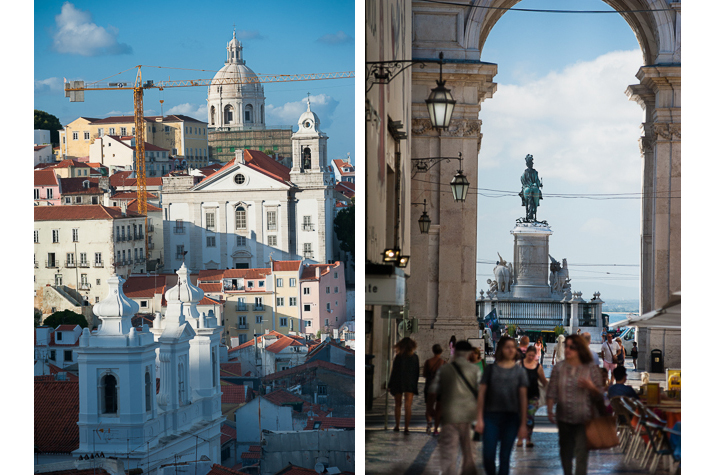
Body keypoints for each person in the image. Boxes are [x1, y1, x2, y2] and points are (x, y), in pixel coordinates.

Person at [546, 334, 604, 475]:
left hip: (584, 418)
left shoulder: (590, 368)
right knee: (565, 452)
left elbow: (601, 393)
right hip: (564, 417)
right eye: (566, 346)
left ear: (579, 349)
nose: (567, 349)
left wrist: (591, 386)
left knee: (581, 453)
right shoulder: (558, 368)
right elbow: (552, 390)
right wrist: (549, 409)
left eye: (572, 347)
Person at [475, 335, 528, 475]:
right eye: (507, 347)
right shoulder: (490, 370)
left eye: (513, 347)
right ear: (501, 350)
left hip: (511, 419)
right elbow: (482, 394)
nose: (511, 350)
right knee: (488, 456)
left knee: (504, 458)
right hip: (491, 417)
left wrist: (523, 424)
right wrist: (479, 418)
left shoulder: (520, 372)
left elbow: (523, 399)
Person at [432, 341, 482, 475]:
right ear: (469, 354)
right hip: (469, 418)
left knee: (449, 454)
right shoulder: (475, 370)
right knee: (469, 455)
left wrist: (429, 409)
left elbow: (434, 390)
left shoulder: (445, 369)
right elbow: (481, 395)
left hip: (449, 417)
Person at [517, 345, 548, 447]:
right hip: (520, 396)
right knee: (521, 417)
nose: (530, 357)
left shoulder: (538, 367)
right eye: (529, 355)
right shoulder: (519, 364)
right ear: (526, 354)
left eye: (532, 355)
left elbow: (543, 381)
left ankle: (528, 439)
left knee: (529, 418)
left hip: (533, 396)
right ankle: (520, 439)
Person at [388, 337, 420, 433]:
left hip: (398, 382)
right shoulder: (415, 357)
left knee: (398, 405)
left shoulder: (398, 357)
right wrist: (414, 384)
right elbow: (416, 372)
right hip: (409, 383)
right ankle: (406, 428)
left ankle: (397, 426)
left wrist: (390, 384)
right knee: (408, 406)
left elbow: (394, 372)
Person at [423, 344, 446, 435]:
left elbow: (424, 374)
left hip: (429, 386)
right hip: (440, 387)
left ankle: (429, 424)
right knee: (439, 409)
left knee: (429, 408)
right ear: (441, 352)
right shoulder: (444, 363)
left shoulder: (428, 362)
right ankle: (436, 429)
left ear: (433, 351)